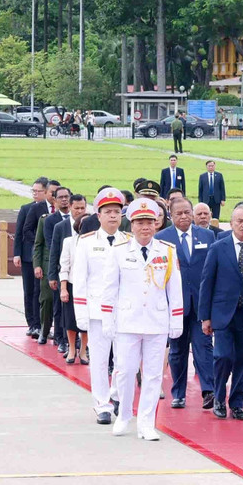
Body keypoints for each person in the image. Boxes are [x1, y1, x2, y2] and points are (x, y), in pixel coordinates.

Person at [101, 198, 183, 441]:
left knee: (154, 375)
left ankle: (147, 422)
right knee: (125, 371)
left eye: (149, 222)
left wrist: (175, 319)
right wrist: (108, 319)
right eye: (140, 222)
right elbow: (109, 288)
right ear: (132, 225)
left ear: (156, 224)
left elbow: (174, 288)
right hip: (127, 321)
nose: (145, 227)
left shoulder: (167, 251)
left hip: (156, 321)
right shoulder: (119, 251)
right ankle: (125, 415)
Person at [199, 203, 243, 421]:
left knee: (242, 361)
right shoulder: (218, 248)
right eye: (240, 221)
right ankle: (218, 398)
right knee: (223, 356)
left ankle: (237, 403)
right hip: (223, 314)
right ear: (231, 223)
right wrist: (205, 317)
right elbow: (207, 283)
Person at [74, 188, 131, 425]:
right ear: (98, 215)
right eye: (108, 212)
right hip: (97, 312)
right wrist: (81, 315)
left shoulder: (128, 241)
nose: (113, 216)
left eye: (117, 212)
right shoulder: (86, 242)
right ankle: (102, 405)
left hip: (123, 312)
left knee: (124, 360)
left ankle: (116, 396)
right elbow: (80, 280)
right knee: (98, 360)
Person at [156, 197, 217, 410]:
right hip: (176, 305)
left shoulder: (207, 235)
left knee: (204, 346)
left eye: (187, 212)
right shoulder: (162, 238)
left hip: (201, 304)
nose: (183, 217)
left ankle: (209, 391)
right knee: (177, 351)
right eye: (178, 213)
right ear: (171, 216)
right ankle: (178, 393)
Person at [14, 178, 55, 339]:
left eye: (38, 191)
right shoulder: (27, 208)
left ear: (46, 192)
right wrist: (17, 253)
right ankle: (32, 323)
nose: (35, 194)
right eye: (33, 191)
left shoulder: (54, 209)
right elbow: (20, 232)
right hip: (29, 255)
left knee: (42, 291)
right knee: (29, 290)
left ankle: (42, 324)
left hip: (47, 258)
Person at [33, 186, 71, 347]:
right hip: (53, 265)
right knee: (49, 300)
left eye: (66, 197)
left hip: (72, 266)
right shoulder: (48, 220)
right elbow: (46, 244)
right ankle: (45, 329)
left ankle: (66, 336)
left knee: (68, 304)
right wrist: (38, 265)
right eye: (60, 197)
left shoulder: (77, 219)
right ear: (54, 200)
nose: (64, 199)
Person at [55, 194, 89, 364]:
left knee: (87, 321)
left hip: (90, 288)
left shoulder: (94, 243)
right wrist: (63, 288)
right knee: (70, 320)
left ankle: (83, 351)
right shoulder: (69, 241)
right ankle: (71, 349)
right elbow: (64, 266)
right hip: (71, 285)